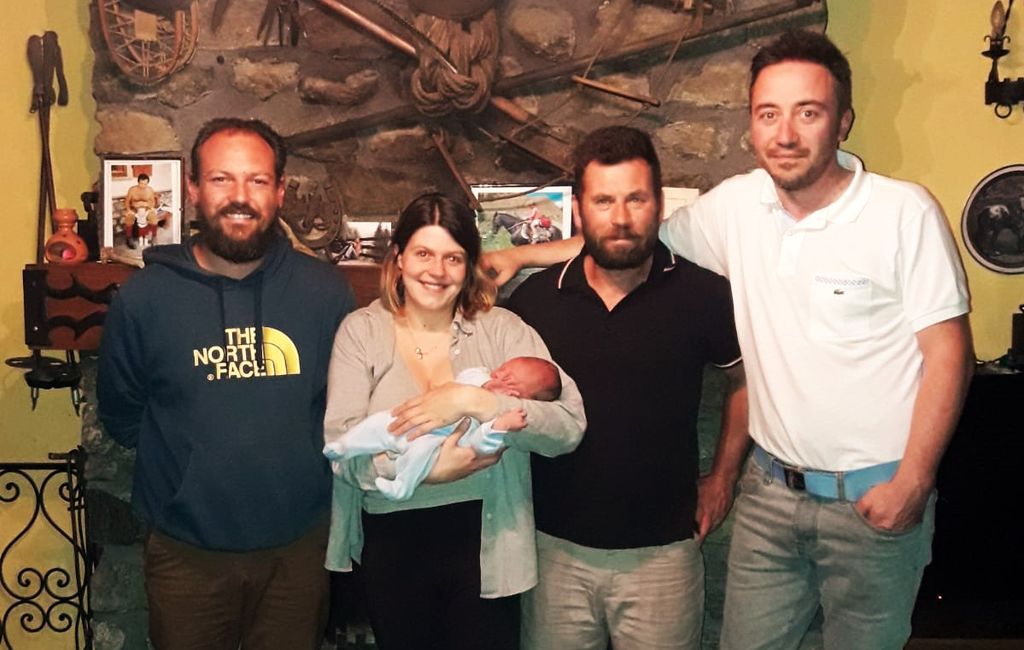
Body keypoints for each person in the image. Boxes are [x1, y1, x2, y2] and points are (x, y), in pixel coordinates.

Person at [486, 29, 974, 650]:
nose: (786, 133)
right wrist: (516, 257)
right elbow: (625, 238)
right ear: (751, 124)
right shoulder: (737, 207)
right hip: (769, 499)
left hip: (872, 498)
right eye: (769, 113)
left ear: (843, 121)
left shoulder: (903, 213)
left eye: (808, 112)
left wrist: (913, 481)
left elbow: (949, 354)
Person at [97, 117, 356, 650]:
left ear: (279, 192)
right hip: (186, 555)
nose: (240, 197)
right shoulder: (143, 299)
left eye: (257, 180)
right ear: (193, 189)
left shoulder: (326, 293)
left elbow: (342, 409)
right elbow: (122, 414)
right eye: (221, 179)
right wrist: (189, 477)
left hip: (298, 552)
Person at [504, 125, 747, 649]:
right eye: (603, 200)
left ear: (659, 206)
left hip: (664, 556)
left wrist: (723, 477)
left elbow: (744, 380)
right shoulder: (535, 302)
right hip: (552, 552)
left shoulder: (702, 295)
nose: (620, 217)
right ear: (578, 210)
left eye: (635, 199)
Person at [323, 192, 586, 650]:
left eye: (453, 258)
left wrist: (476, 401)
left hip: (487, 545)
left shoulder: (502, 329)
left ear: (468, 266)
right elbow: (341, 450)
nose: (437, 271)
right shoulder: (361, 332)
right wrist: (430, 471)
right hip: (392, 546)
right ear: (398, 259)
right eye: (423, 254)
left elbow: (568, 427)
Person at [323, 356, 562, 500]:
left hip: (435, 441)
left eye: (511, 382)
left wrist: (499, 425)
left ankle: (402, 486)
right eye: (503, 369)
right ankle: (346, 446)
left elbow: (482, 446)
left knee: (419, 454)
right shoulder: (480, 375)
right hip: (410, 425)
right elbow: (464, 379)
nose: (500, 376)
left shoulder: (500, 417)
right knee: (379, 422)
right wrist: (480, 388)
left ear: (522, 399)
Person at [123, 172, 157, 249]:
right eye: (141, 183)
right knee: (129, 218)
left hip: (146, 209)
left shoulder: (150, 190)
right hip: (134, 209)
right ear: (138, 182)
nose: (143, 186)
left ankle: (154, 237)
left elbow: (152, 202)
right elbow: (127, 201)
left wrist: (151, 209)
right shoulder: (132, 190)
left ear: (147, 183)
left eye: (145, 184)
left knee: (154, 218)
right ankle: (129, 238)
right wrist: (128, 210)